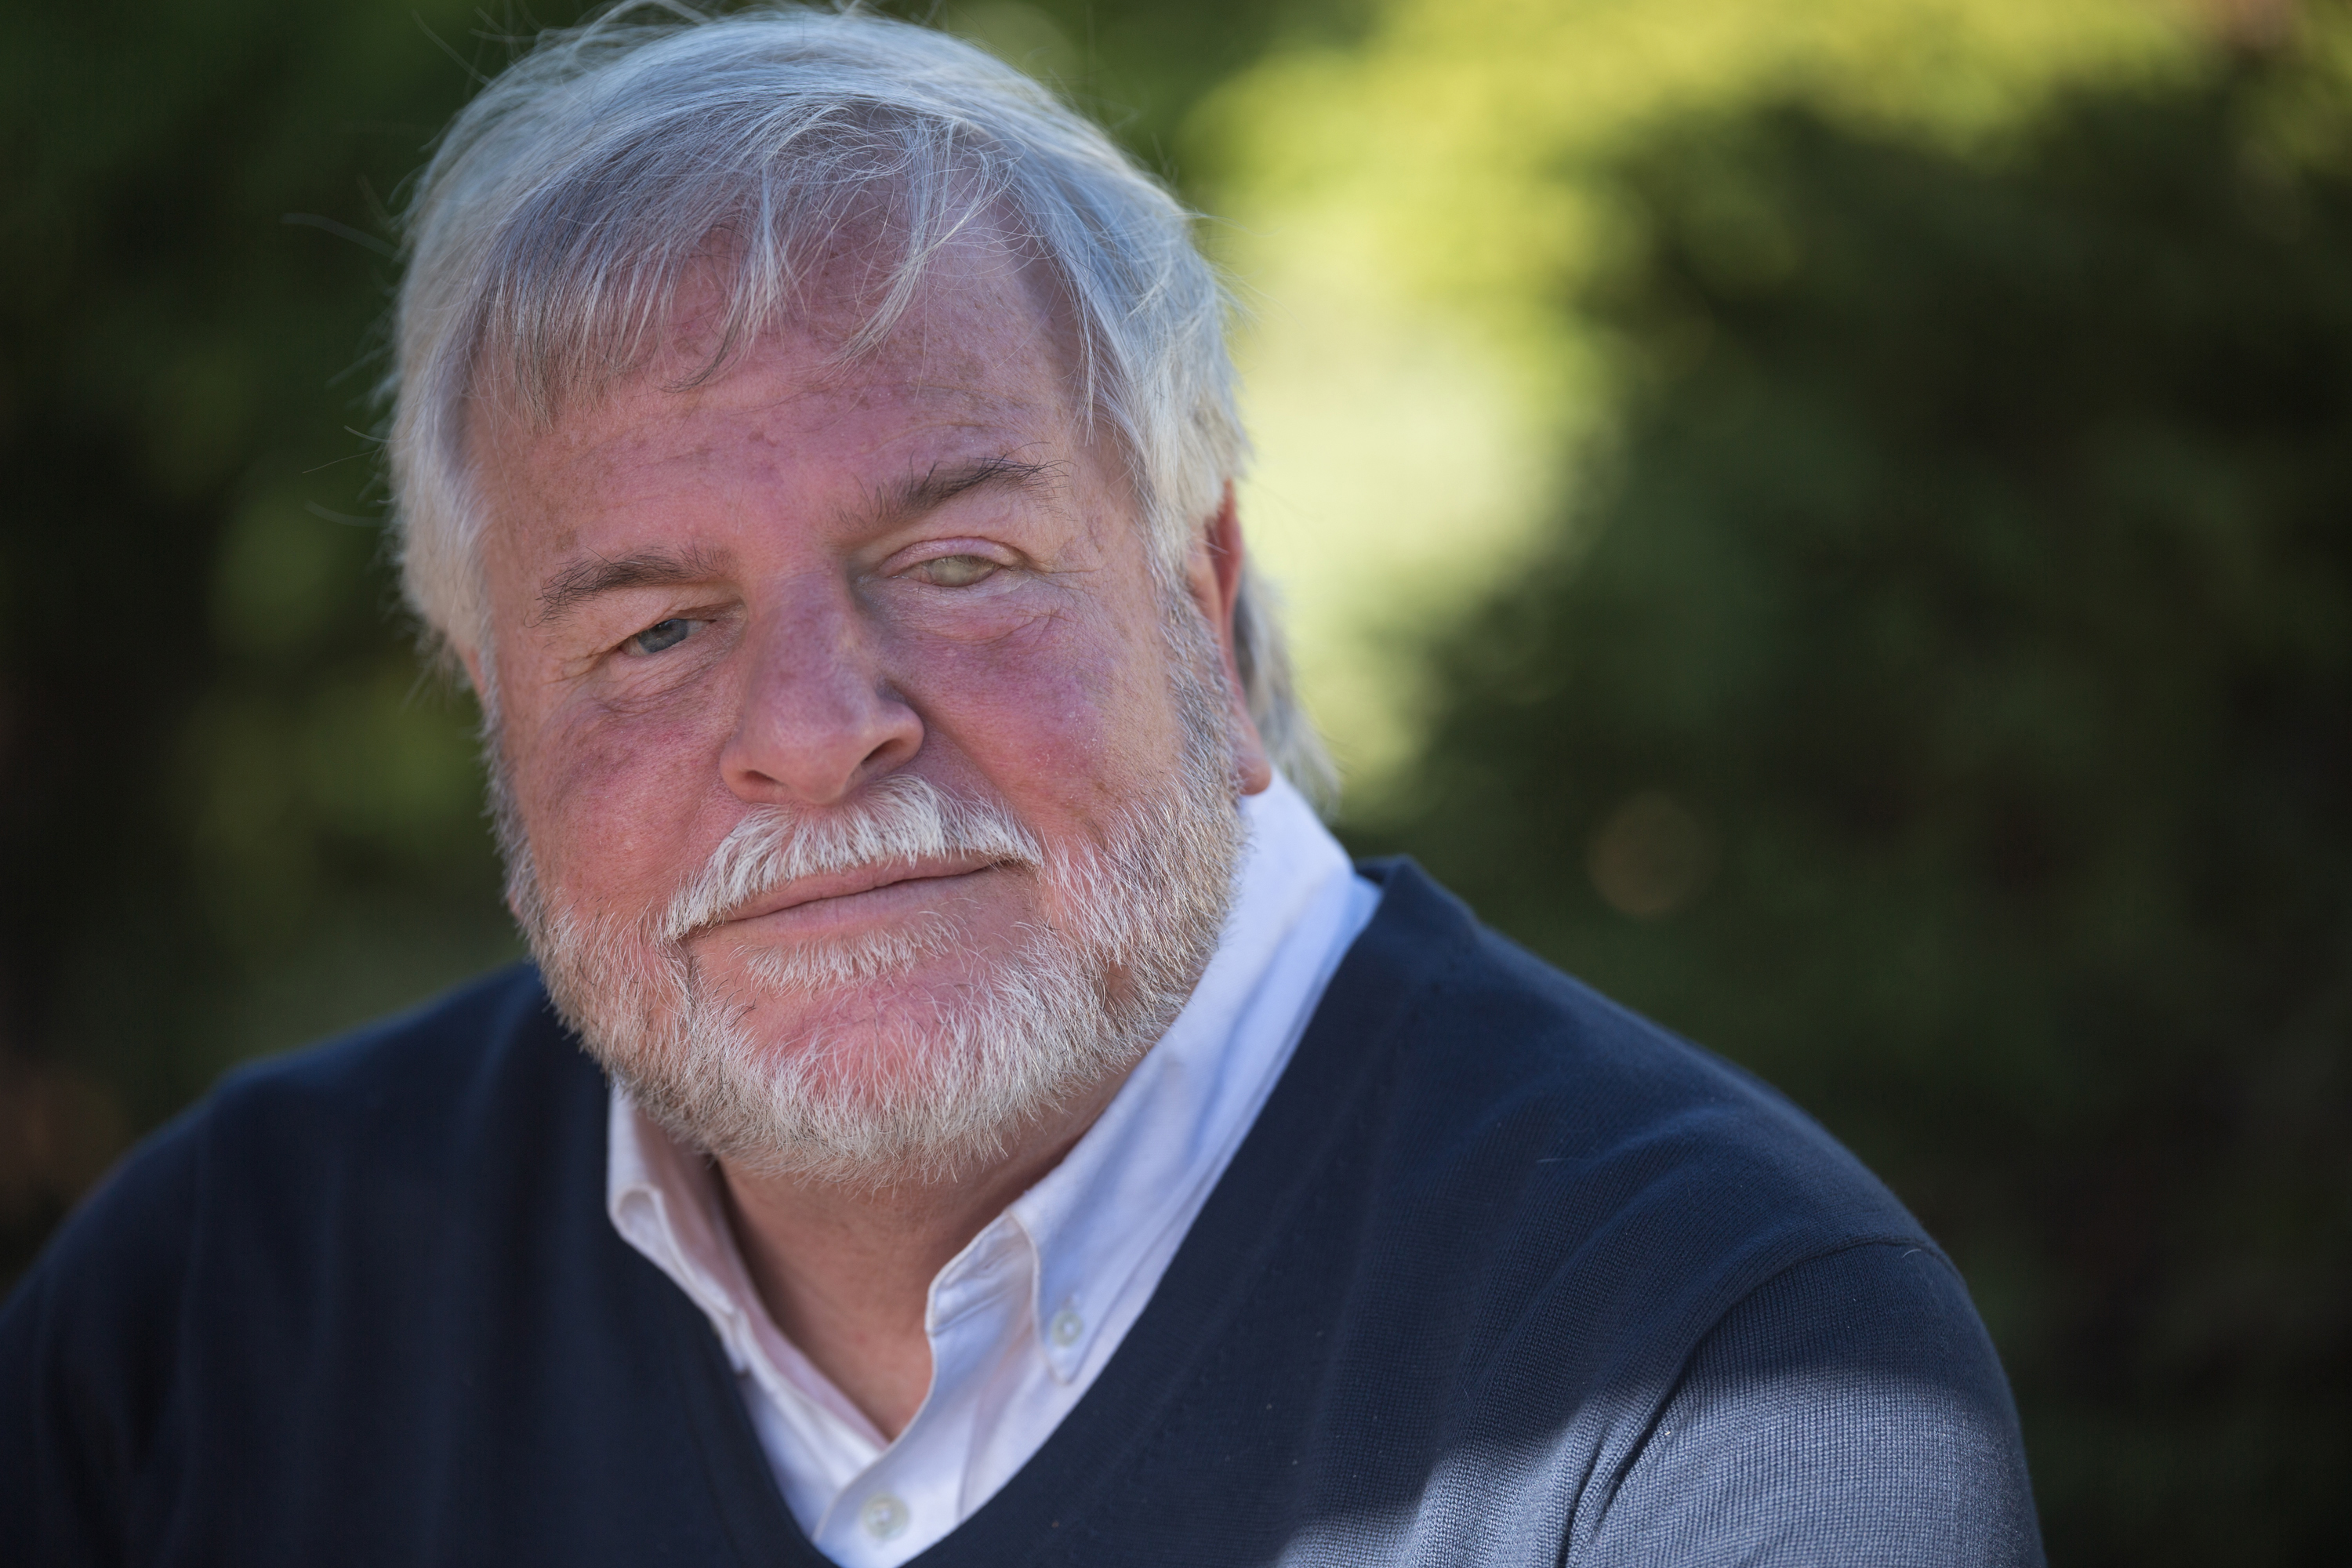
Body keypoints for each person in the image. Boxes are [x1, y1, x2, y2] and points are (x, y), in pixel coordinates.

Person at [0, 9, 2044, 1565]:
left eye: (959, 565)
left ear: (1203, 594)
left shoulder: (1724, 1373)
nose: (815, 726)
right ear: (489, 706)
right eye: (646, 630)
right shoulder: (220, 1320)